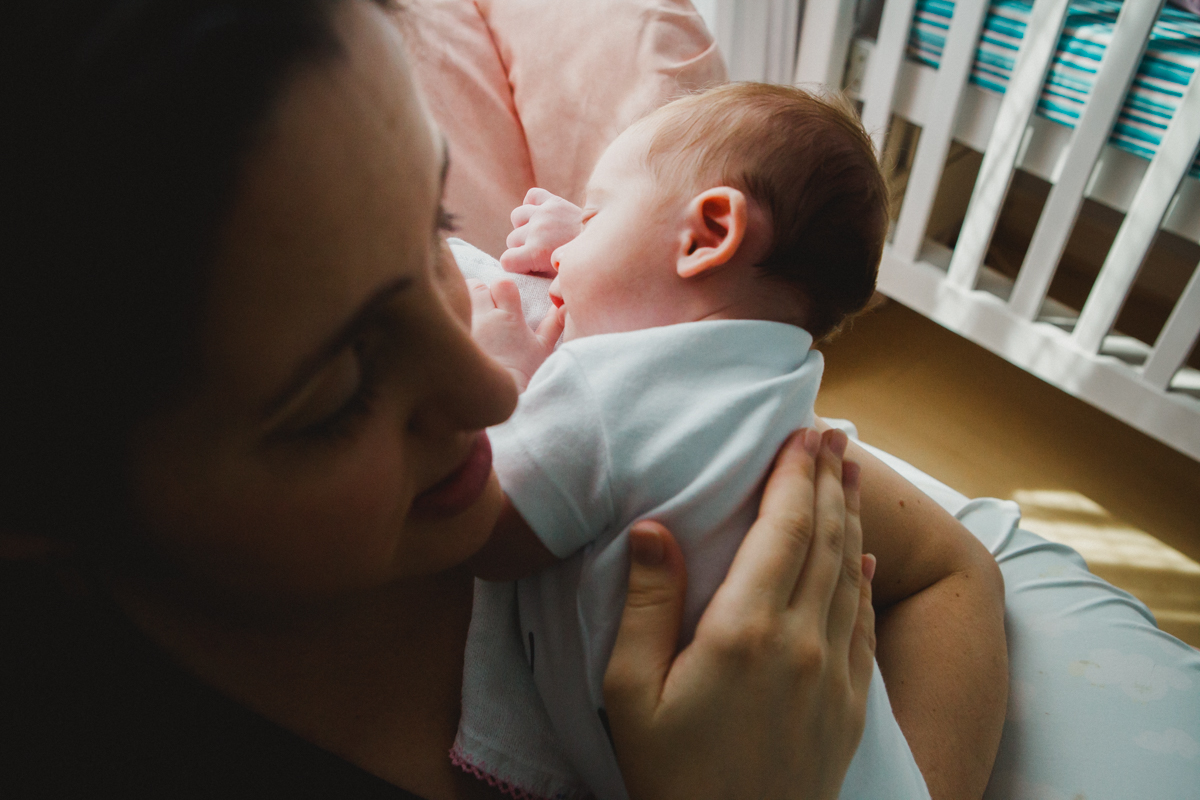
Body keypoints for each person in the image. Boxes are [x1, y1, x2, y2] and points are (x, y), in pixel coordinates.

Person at [2, 2, 885, 798]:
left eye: (437, 226)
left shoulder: (517, 306)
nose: (499, 387)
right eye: (339, 392)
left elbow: (959, 571)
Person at [462, 84, 1008, 800]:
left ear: (707, 235)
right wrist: (608, 238)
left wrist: (504, 378)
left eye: (595, 213)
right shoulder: (779, 392)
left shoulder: (608, 392)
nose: (563, 255)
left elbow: (492, 538)